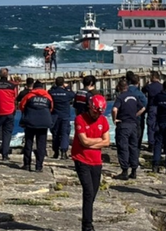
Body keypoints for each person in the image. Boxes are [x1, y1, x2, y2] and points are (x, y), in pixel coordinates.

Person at [72, 94, 111, 231]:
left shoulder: (103, 120)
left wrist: (91, 143)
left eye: (99, 113)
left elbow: (107, 141)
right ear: (90, 107)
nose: (97, 115)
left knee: (93, 192)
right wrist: (97, 141)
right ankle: (87, 225)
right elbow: (84, 141)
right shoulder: (80, 119)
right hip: (81, 159)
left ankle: (88, 219)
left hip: (96, 161)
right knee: (88, 191)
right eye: (95, 112)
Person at [112, 79, 146, 180]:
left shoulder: (120, 97)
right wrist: (135, 115)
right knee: (133, 147)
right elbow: (143, 108)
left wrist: (115, 119)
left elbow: (114, 109)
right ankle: (134, 170)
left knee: (123, 147)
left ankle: (125, 170)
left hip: (123, 124)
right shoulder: (134, 96)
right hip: (134, 124)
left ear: (119, 87)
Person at [19, 81, 53, 172]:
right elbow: (51, 108)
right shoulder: (48, 96)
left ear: (34, 88)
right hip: (44, 123)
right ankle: (39, 166)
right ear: (42, 88)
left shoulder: (29, 96)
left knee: (28, 143)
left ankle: (27, 164)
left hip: (30, 122)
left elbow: (21, 106)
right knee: (41, 145)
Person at [49, 76, 75, 159]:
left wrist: (54, 87)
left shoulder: (52, 92)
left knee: (55, 134)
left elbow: (48, 93)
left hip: (55, 116)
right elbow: (73, 94)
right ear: (63, 83)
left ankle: (55, 152)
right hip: (65, 116)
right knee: (64, 134)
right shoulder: (67, 93)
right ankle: (63, 152)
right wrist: (67, 87)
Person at [125, 72, 148, 149]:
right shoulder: (140, 94)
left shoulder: (125, 91)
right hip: (137, 118)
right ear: (138, 82)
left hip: (126, 118)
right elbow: (145, 106)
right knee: (137, 138)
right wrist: (137, 114)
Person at [144, 72, 163, 152]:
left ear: (153, 77)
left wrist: (146, 83)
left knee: (151, 125)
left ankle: (151, 143)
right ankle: (160, 142)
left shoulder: (149, 86)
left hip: (152, 107)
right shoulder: (161, 86)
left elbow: (143, 90)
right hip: (161, 107)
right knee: (160, 125)